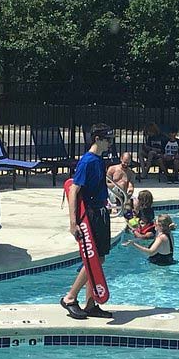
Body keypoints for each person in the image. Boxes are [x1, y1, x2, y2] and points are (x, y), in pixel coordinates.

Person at [61, 123, 114, 320]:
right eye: (107, 139)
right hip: (90, 215)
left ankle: (91, 305)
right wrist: (73, 223)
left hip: (101, 212)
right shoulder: (87, 161)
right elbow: (74, 190)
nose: (110, 143)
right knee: (91, 260)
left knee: (98, 259)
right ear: (97, 139)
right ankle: (69, 298)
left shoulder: (99, 160)